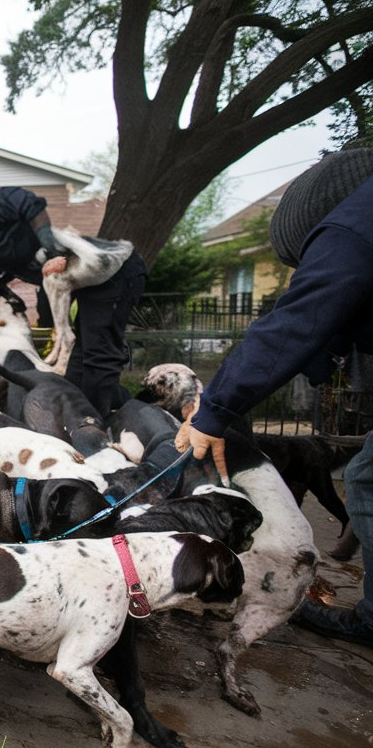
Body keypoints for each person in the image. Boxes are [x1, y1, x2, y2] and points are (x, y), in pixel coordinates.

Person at [177, 146, 373, 647]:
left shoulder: (351, 227)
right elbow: (323, 330)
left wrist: (214, 409)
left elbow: (294, 324)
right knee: (365, 476)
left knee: (366, 478)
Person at [0, 188, 147, 418]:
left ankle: (96, 423)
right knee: (80, 355)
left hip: (115, 272)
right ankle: (83, 415)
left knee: (99, 351)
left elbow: (24, 199)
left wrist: (47, 241)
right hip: (88, 285)